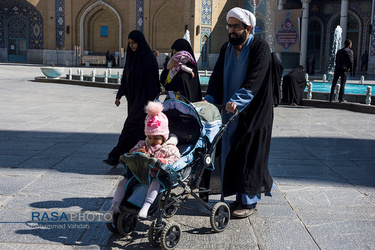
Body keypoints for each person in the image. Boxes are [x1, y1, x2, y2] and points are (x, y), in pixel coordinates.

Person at [204, 7, 275, 218]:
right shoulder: (227, 48)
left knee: (249, 155)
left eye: (236, 26)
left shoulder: (260, 47)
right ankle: (237, 197)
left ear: (248, 28)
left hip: (253, 114)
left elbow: (256, 77)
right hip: (230, 112)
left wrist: (237, 100)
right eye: (230, 26)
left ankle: (249, 202)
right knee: (231, 154)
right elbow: (216, 77)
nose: (232, 30)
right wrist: (209, 100)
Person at [108, 101, 180, 219]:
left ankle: (147, 206)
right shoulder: (143, 144)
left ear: (164, 137)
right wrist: (137, 152)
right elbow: (132, 152)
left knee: (156, 184)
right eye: (149, 137)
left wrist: (161, 161)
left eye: (156, 138)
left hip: (157, 175)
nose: (152, 141)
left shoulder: (170, 148)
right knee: (123, 182)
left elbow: (175, 160)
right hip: (140, 173)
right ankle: (115, 204)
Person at [103, 30, 161, 167]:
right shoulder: (131, 59)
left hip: (144, 103)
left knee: (129, 129)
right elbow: (126, 79)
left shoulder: (148, 59)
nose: (131, 46)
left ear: (139, 42)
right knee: (138, 132)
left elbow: (154, 84)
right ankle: (132, 159)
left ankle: (115, 156)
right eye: (129, 43)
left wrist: (149, 104)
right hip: (133, 102)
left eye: (134, 43)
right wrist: (119, 95)